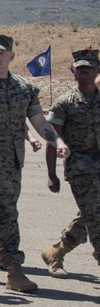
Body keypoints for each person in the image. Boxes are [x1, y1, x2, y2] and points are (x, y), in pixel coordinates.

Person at [0, 34, 69, 292]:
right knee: (6, 213)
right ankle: (14, 271)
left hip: (14, 161)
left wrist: (57, 141)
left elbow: (39, 121)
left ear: (11, 56)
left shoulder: (23, 88)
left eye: (1, 53)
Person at [40, 49, 99, 279]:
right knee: (96, 218)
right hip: (80, 168)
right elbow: (52, 139)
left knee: (90, 215)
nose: (83, 72)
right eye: (79, 68)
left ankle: (55, 252)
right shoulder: (65, 103)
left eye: (88, 68)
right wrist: (51, 174)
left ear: (97, 71)